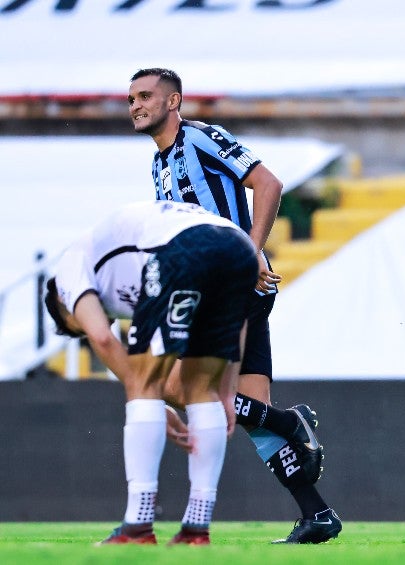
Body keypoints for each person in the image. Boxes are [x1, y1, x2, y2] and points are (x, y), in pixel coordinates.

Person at [127, 67, 340, 544]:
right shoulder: (159, 163)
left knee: (178, 386)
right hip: (213, 287)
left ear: (174, 101)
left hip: (232, 284)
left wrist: (250, 248)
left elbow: (269, 183)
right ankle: (317, 514)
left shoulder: (201, 138)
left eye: (146, 96)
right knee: (253, 411)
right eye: (132, 99)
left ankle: (292, 422)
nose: (136, 105)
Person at [45, 201, 260, 544]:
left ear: (62, 304)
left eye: (76, 327)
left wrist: (150, 399)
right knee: (201, 389)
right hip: (240, 250)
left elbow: (102, 338)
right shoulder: (123, 277)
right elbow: (241, 320)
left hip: (182, 246)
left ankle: (138, 525)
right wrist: (228, 388)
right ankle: (196, 528)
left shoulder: (67, 272)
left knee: (143, 383)